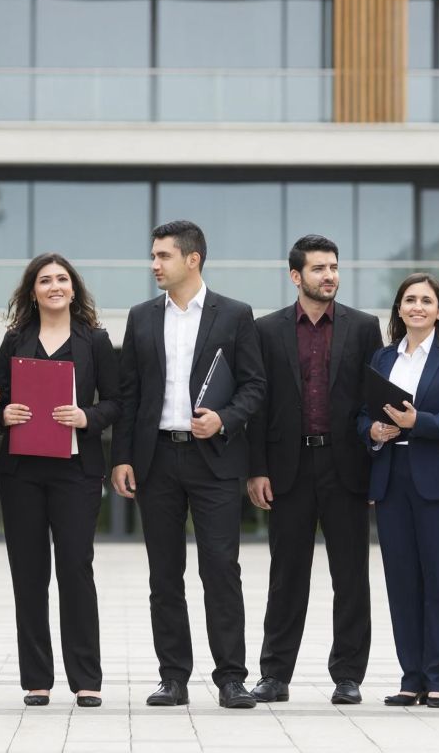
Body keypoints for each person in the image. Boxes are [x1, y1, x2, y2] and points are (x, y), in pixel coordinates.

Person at [111, 220, 266, 710]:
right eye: (153, 256)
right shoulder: (140, 317)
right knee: (164, 575)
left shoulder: (236, 315)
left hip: (215, 460)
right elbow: (129, 394)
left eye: (163, 256)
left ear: (192, 259)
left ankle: (231, 678)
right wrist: (122, 458)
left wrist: (223, 419)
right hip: (156, 459)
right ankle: (173, 677)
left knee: (221, 569)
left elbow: (255, 387)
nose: (154, 265)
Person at [246, 235, 381, 706]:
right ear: (295, 275)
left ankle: (348, 675)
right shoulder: (265, 331)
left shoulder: (365, 328)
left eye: (334, 267)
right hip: (289, 467)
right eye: (320, 268)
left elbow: (373, 401)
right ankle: (275, 674)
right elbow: (258, 405)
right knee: (286, 575)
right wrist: (256, 468)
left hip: (347, 467)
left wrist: (374, 470)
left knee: (351, 576)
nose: (330, 276)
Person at [0, 253, 120, 708]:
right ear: (33, 291)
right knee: (29, 576)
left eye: (62, 279)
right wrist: (1, 414)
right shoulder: (14, 339)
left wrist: (88, 416)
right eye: (45, 280)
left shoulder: (96, 341)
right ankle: (36, 679)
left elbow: (118, 401)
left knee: (76, 572)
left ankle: (87, 678)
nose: (55, 286)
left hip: (76, 473)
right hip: (21, 473)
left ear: (74, 288)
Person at [358, 272, 439, 709]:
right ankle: (412, 677)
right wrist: (372, 429)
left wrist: (417, 423)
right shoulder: (383, 358)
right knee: (402, 582)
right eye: (409, 300)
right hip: (392, 479)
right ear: (399, 309)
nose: (417, 307)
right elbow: (361, 414)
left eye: (426, 300)